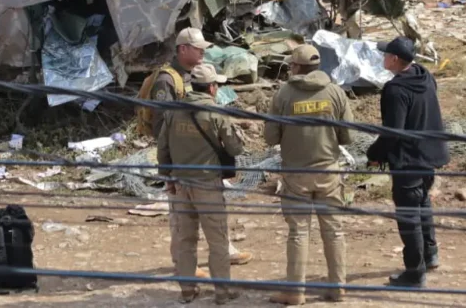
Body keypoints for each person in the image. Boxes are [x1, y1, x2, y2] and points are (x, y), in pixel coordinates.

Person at [139, 28, 253, 278]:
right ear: (182, 49)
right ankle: (184, 265)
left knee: (209, 212)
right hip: (182, 160)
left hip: (201, 159)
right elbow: (162, 127)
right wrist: (171, 164)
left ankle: (223, 252)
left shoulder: (192, 76)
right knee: (181, 218)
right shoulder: (167, 80)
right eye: (198, 48)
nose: (203, 51)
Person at [264, 45, 353, 305]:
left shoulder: (284, 94)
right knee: (334, 231)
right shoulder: (335, 92)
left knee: (299, 233)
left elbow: (270, 136)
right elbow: (347, 135)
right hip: (329, 172)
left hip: (295, 175)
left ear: (296, 67)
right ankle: (337, 288)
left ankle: (295, 292)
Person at [367, 37, 449, 289]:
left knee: (408, 216)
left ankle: (414, 273)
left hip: (408, 160)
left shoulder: (395, 90)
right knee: (422, 204)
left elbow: (394, 132)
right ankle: (431, 255)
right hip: (429, 155)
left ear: (393, 59)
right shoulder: (424, 76)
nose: (382, 58)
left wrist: (374, 154)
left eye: (385, 55)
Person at [158, 63, 243, 305]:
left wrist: (168, 178)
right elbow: (235, 147)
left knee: (185, 240)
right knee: (217, 240)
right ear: (212, 87)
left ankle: (187, 290)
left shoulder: (173, 111)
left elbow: (162, 149)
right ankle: (222, 292)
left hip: (181, 185)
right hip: (208, 185)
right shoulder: (216, 112)